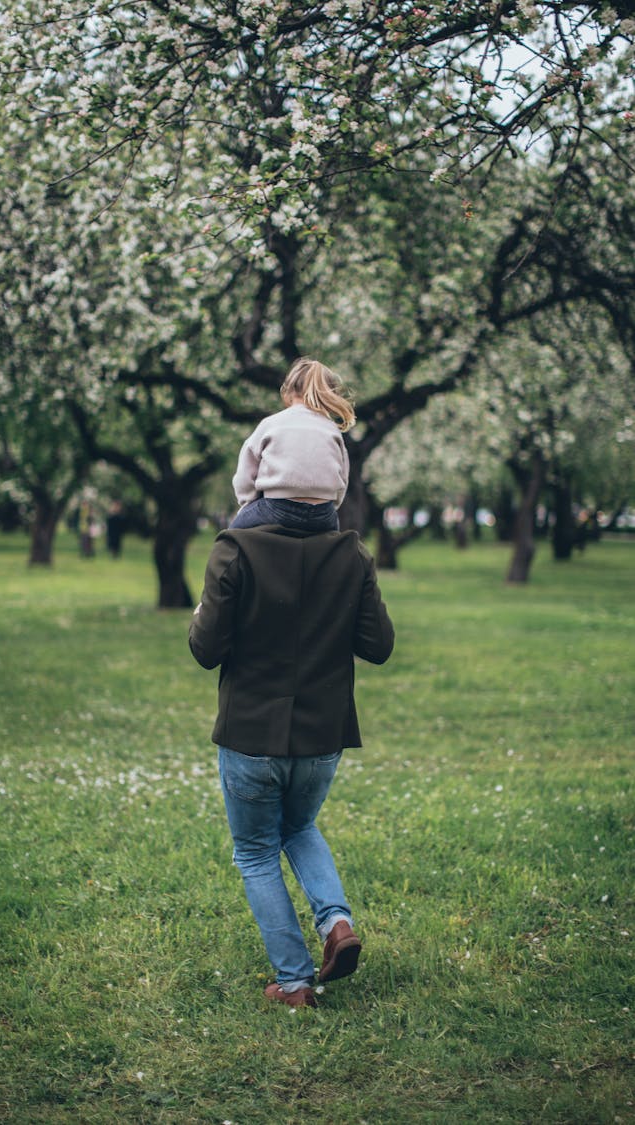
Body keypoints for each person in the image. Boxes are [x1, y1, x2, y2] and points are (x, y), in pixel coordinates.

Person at [189, 523, 395, 1008]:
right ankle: (336, 923)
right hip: (323, 735)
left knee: (257, 852)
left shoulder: (235, 548)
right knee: (299, 826)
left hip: (251, 733)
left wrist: (204, 610)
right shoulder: (352, 551)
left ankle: (296, 984)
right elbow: (378, 645)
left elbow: (205, 648)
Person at [230, 357, 355, 533]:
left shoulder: (271, 424)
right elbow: (343, 477)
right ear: (328, 394)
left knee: (231, 538)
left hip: (276, 509)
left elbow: (245, 475)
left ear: (287, 390)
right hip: (323, 514)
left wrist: (248, 503)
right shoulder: (332, 429)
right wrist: (330, 505)